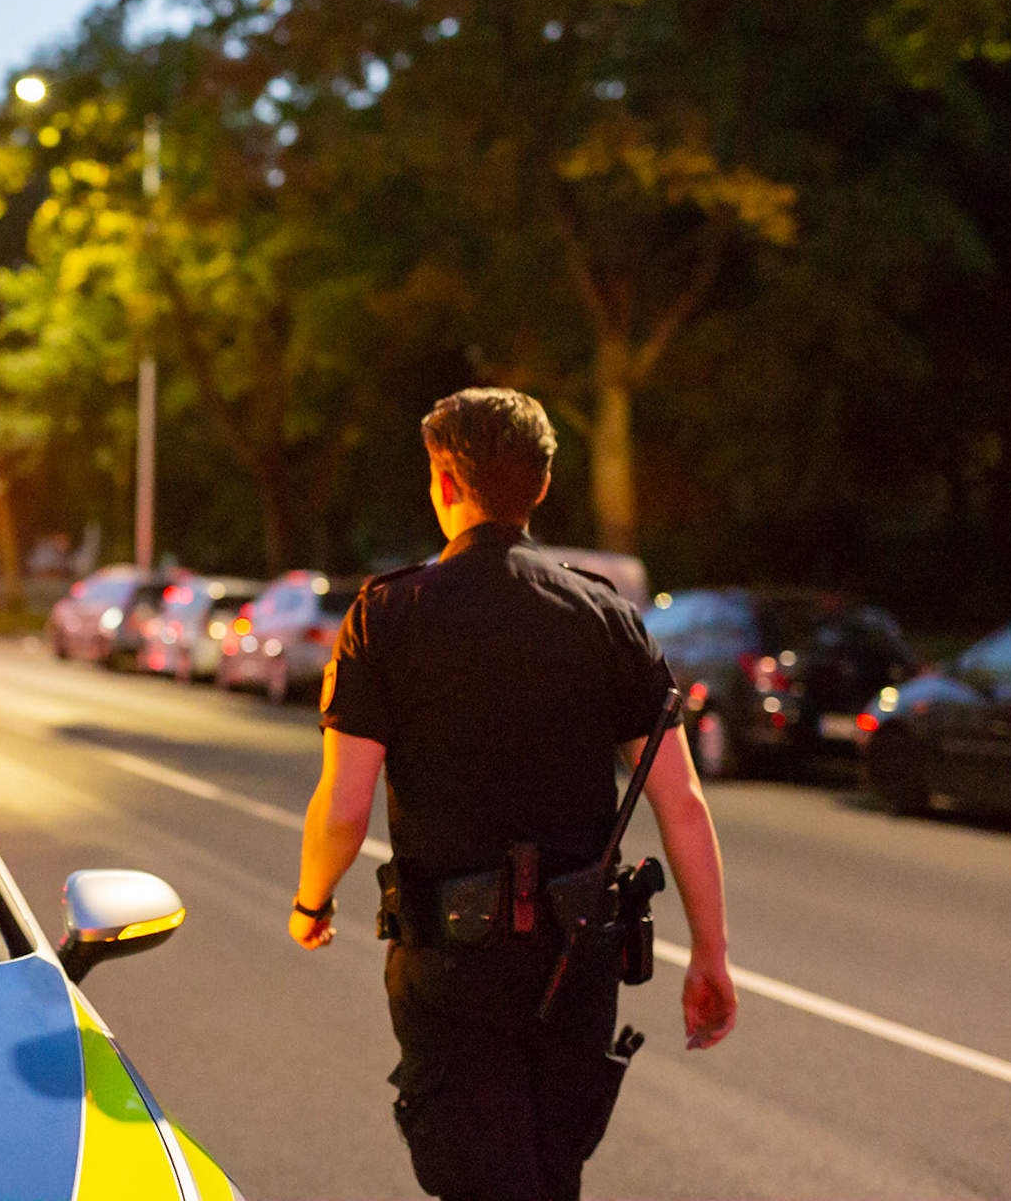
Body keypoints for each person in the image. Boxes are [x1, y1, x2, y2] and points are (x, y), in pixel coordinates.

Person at [289, 387, 736, 1201]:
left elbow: (345, 806)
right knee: (549, 1176)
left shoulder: (387, 615)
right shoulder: (605, 614)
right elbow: (682, 803)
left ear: (447, 481)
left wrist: (311, 902)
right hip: (578, 965)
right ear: (539, 487)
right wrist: (711, 953)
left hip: (452, 966)